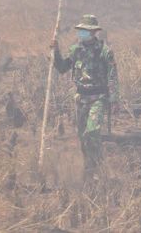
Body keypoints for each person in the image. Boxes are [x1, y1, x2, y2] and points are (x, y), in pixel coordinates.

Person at [52, 15, 119, 180]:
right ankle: (89, 167)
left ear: (94, 32)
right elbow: (62, 68)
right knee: (82, 137)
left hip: (99, 97)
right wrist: (55, 51)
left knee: (92, 132)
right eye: (80, 31)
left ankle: (98, 167)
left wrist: (114, 99)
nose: (82, 34)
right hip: (81, 98)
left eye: (85, 31)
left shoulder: (105, 51)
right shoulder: (75, 50)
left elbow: (112, 76)